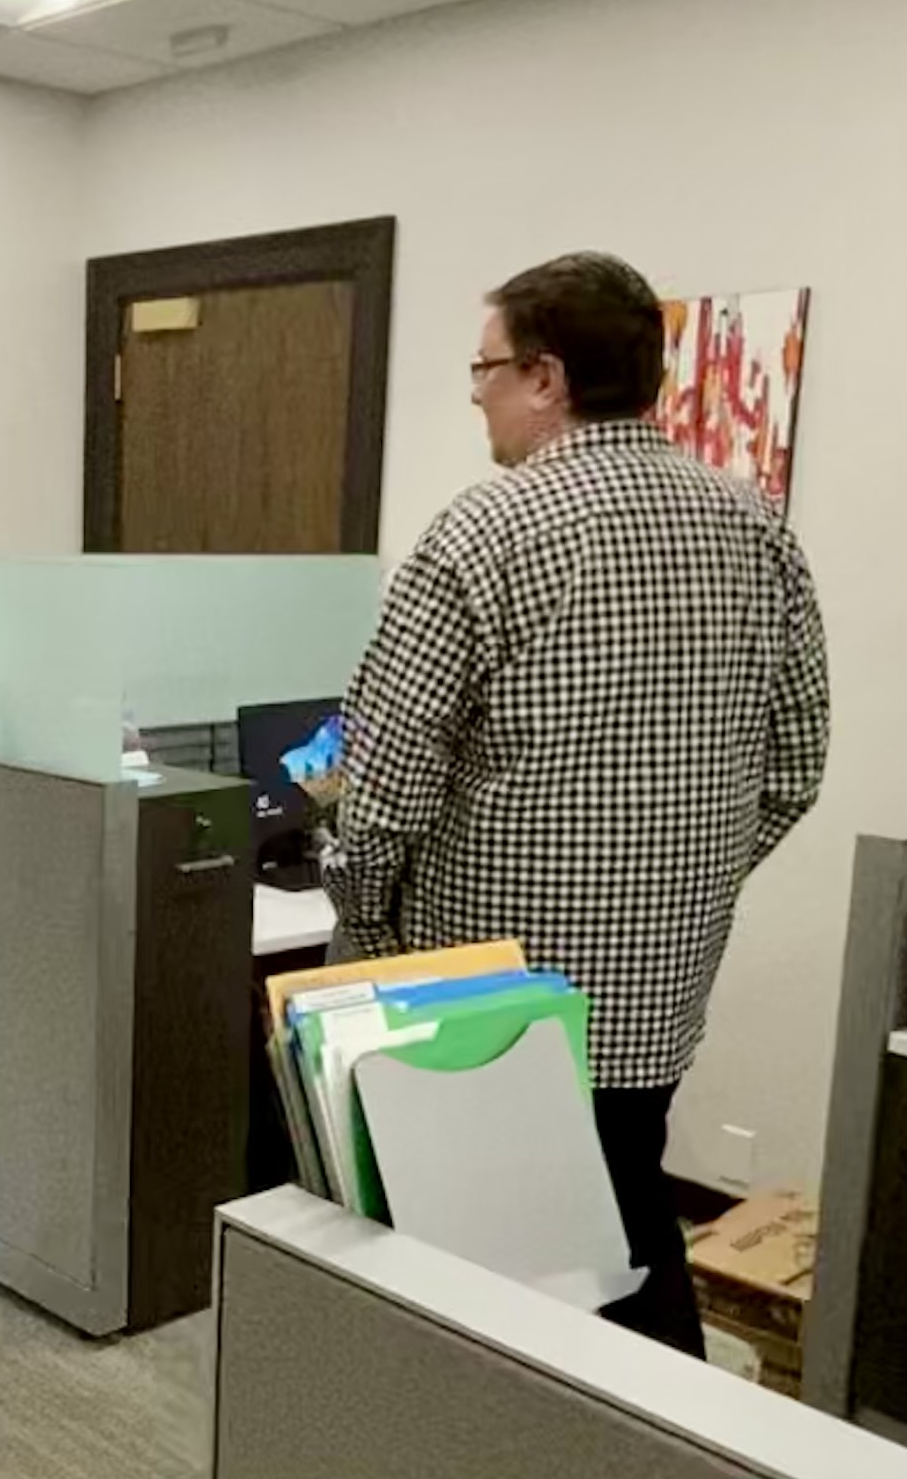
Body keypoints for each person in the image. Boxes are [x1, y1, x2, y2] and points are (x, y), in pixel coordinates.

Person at [324, 253, 829, 1355]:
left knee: (468, 1265)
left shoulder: (477, 535)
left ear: (545, 376)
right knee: (625, 1221)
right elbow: (795, 764)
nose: (474, 393)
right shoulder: (756, 531)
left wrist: (365, 937)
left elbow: (382, 794)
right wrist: (676, 877)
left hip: (477, 995)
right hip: (657, 985)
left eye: (484, 367)